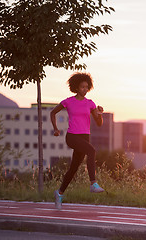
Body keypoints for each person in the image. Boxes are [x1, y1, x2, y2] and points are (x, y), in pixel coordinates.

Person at [50, 72, 105, 210]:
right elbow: (53, 113)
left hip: (84, 137)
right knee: (92, 151)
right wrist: (56, 129)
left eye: (87, 87)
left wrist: (99, 115)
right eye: (82, 87)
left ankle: (59, 193)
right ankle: (93, 183)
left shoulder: (90, 104)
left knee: (73, 168)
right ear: (76, 87)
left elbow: (99, 123)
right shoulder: (68, 101)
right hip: (72, 137)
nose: (85, 89)